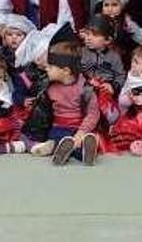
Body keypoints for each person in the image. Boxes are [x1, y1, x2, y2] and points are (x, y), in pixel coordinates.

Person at [21, 24, 100, 166]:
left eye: (50, 67)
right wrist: (35, 134)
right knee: (58, 136)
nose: (47, 69)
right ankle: (62, 148)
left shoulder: (85, 87)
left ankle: (84, 150)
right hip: (59, 126)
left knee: (78, 139)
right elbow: (41, 113)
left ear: (65, 70)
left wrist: (81, 132)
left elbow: (93, 113)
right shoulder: (49, 87)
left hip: (79, 127)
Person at [80, 14, 126, 128]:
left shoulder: (114, 57)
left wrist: (113, 86)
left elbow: (121, 76)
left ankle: (111, 127)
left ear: (107, 40)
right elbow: (77, 71)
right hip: (86, 91)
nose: (89, 38)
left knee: (111, 111)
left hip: (106, 93)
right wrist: (88, 80)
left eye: (94, 35)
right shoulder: (81, 53)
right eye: (87, 34)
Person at [95, 0, 142, 68]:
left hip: (122, 61)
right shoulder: (99, 20)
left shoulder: (126, 22)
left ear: (122, 6)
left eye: (114, 5)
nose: (110, 9)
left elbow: (140, 36)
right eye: (106, 5)